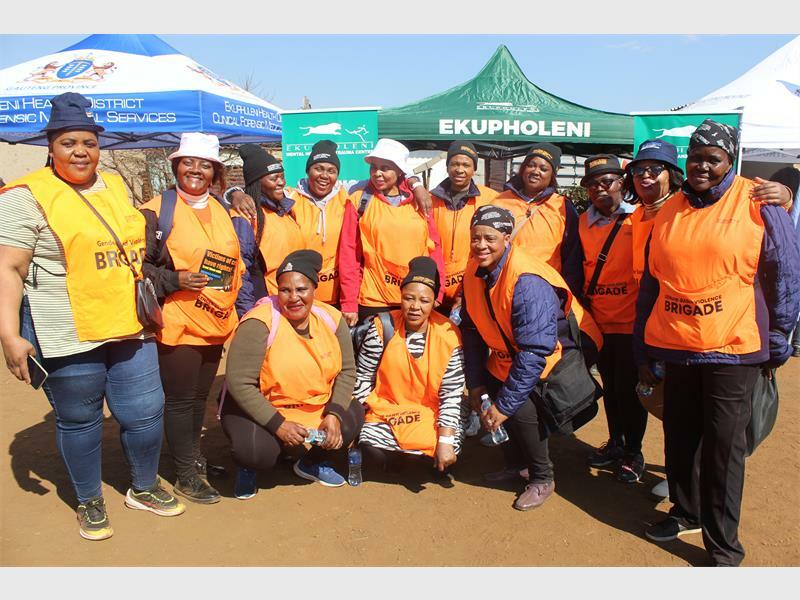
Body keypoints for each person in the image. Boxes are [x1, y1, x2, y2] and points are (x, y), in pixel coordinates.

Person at [0, 92, 184, 541]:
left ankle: (143, 487)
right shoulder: (25, 196)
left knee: (145, 411)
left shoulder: (114, 184)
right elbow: (9, 268)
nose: (80, 151)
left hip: (129, 322)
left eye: (89, 142)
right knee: (80, 420)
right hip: (68, 331)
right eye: (69, 143)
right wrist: (9, 335)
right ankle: (89, 499)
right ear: (51, 146)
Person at [634, 119, 800, 566]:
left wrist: (779, 336)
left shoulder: (758, 201)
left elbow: (785, 272)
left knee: (723, 449)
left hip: (734, 346)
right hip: (677, 344)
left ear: (730, 161)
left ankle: (724, 547)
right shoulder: (669, 209)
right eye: (696, 158)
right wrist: (644, 346)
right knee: (679, 435)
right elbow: (652, 282)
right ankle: (685, 510)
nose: (702, 166)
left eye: (714, 159)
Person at [460, 205, 602, 511]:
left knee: (520, 407)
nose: (480, 245)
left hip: (550, 351)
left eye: (489, 238)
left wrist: (504, 406)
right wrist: (475, 383)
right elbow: (471, 330)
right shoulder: (473, 271)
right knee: (492, 389)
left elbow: (535, 352)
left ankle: (541, 477)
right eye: (475, 238)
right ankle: (516, 464)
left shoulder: (526, 280)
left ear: (507, 238)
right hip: (510, 352)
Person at [139, 132, 243, 504]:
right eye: (188, 162)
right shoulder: (156, 211)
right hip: (179, 321)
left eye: (204, 165)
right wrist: (175, 280)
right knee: (181, 400)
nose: (195, 170)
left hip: (216, 320)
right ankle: (184, 475)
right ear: (176, 166)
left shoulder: (222, 208)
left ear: (215, 172)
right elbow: (138, 267)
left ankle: (193, 457)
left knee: (200, 397)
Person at [221, 250, 363, 497]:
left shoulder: (331, 318)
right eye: (285, 290)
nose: (294, 297)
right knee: (255, 452)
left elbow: (348, 371)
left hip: (311, 405)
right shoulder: (259, 323)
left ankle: (311, 462)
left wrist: (334, 415)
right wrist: (279, 425)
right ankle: (248, 467)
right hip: (263, 407)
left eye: (301, 289)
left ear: (314, 289)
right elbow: (239, 383)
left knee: (352, 416)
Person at [354, 256, 465, 478]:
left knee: (445, 448)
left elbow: (451, 394)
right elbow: (364, 378)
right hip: (387, 410)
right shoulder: (382, 327)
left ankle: (417, 456)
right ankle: (402, 456)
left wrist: (445, 440)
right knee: (371, 451)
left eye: (424, 301)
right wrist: (355, 421)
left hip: (431, 413)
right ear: (401, 297)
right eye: (408, 298)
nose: (415, 307)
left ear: (434, 302)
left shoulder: (449, 335)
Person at [577, 155, 648, 483]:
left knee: (630, 390)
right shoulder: (582, 222)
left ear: (622, 183)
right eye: (592, 185)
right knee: (611, 388)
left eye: (607, 181)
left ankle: (634, 451)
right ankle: (616, 443)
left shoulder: (640, 218)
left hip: (632, 324)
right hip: (599, 324)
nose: (600, 189)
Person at [338, 138, 446, 326]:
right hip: (374, 299)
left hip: (414, 297)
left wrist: (439, 289)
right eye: (374, 167)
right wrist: (349, 302)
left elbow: (434, 248)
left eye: (385, 168)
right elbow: (349, 253)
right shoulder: (359, 200)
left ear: (399, 170)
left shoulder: (420, 201)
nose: (377, 173)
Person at [493, 143, 583, 296]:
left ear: (552, 174)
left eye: (543, 169)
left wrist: (567, 296)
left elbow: (572, 257)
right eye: (531, 165)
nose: (535, 171)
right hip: (504, 288)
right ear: (523, 169)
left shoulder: (562, 207)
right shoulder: (499, 202)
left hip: (547, 289)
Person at [229, 144, 304, 315]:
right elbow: (241, 271)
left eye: (282, 177)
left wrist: (233, 192)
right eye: (274, 178)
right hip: (266, 306)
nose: (281, 182)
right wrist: (248, 313)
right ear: (257, 182)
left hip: (292, 303)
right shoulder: (246, 216)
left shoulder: (286, 210)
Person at [430, 140, 498, 315]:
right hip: (435, 288)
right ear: (447, 167)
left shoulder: (490, 199)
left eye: (466, 165)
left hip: (473, 287)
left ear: (474, 169)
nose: (460, 169)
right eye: (454, 164)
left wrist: (467, 290)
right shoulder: (430, 200)